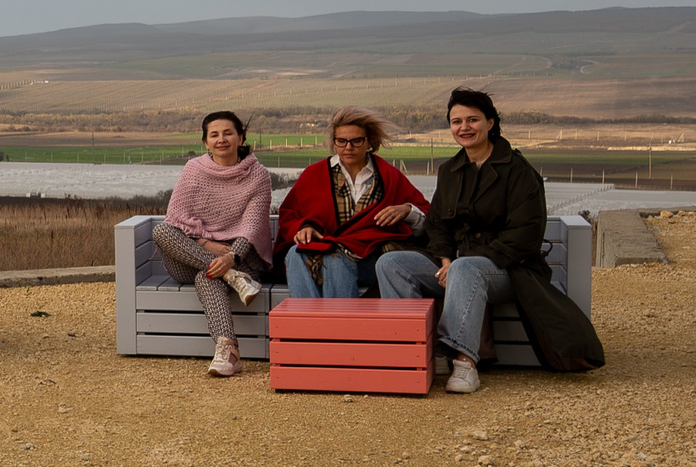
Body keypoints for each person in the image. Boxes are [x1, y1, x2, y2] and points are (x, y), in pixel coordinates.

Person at [373, 87, 549, 393]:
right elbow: (437, 225)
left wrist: (460, 265)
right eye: (456, 121)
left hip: (510, 270)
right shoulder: (449, 171)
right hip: (457, 264)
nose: (464, 127)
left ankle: (465, 363)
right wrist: (445, 260)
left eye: (472, 120)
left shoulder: (519, 171)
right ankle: (414, 354)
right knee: (391, 263)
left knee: (466, 268)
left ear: (490, 123)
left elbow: (525, 234)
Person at [153, 111, 277, 377]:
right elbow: (176, 218)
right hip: (195, 255)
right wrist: (207, 244)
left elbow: (253, 226)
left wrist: (231, 258)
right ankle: (233, 278)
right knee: (162, 231)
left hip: (243, 259)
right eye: (214, 135)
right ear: (206, 142)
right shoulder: (193, 170)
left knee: (208, 276)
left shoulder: (258, 175)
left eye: (228, 133)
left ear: (241, 138)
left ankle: (228, 352)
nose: (222, 139)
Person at [275, 109, 429, 298]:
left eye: (356, 141)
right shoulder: (314, 175)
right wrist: (304, 227)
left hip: (371, 261)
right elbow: (289, 213)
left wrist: (407, 210)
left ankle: (335, 318)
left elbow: (427, 217)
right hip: (324, 252)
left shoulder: (389, 177)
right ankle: (310, 317)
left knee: (335, 259)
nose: (348, 147)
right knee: (296, 253)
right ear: (334, 142)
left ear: (369, 142)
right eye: (341, 141)